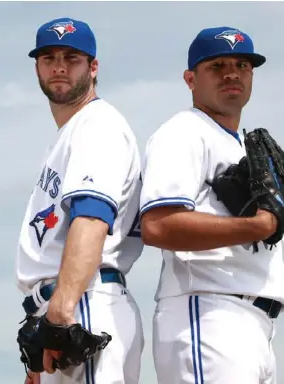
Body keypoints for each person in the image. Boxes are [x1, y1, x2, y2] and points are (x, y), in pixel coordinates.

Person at [139, 26, 284, 384]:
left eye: (242, 64)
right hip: (209, 314)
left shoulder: (238, 145)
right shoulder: (184, 132)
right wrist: (259, 225)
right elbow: (158, 226)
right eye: (217, 66)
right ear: (191, 79)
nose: (232, 73)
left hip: (254, 323)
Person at [15, 17, 145, 384]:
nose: (59, 66)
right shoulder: (69, 134)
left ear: (93, 67)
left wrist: (59, 315)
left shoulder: (97, 125)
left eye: (71, 57)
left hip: (84, 303)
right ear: (37, 67)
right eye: (49, 57)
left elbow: (91, 219)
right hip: (72, 303)